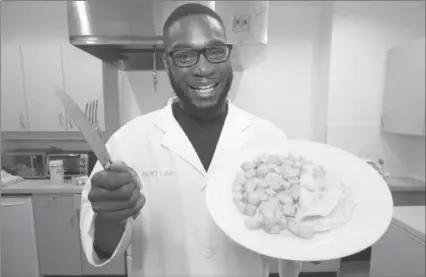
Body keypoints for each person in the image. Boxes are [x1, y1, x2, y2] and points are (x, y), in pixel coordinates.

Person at [80, 3, 303, 277]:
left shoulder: (269, 138)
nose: (203, 68)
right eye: (185, 55)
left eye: (215, 51)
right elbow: (102, 248)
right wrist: (109, 217)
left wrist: (319, 231)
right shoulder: (126, 143)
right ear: (166, 63)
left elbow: (291, 238)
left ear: (228, 55)